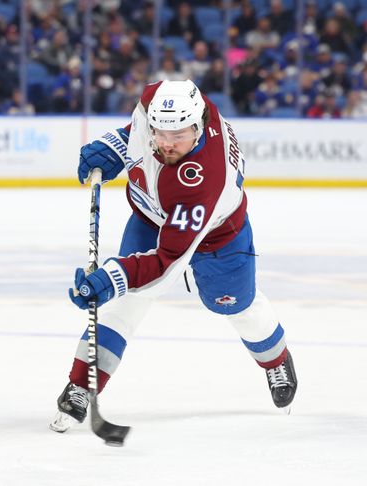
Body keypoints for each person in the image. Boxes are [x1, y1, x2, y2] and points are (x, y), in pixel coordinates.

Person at [50, 79, 297, 432]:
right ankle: (81, 384)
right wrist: (115, 146)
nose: (166, 143)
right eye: (160, 133)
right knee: (126, 303)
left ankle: (276, 359)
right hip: (151, 217)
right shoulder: (159, 99)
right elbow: (136, 130)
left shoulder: (204, 179)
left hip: (217, 235)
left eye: (178, 135)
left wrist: (110, 277)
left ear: (198, 127)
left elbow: (166, 264)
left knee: (234, 304)